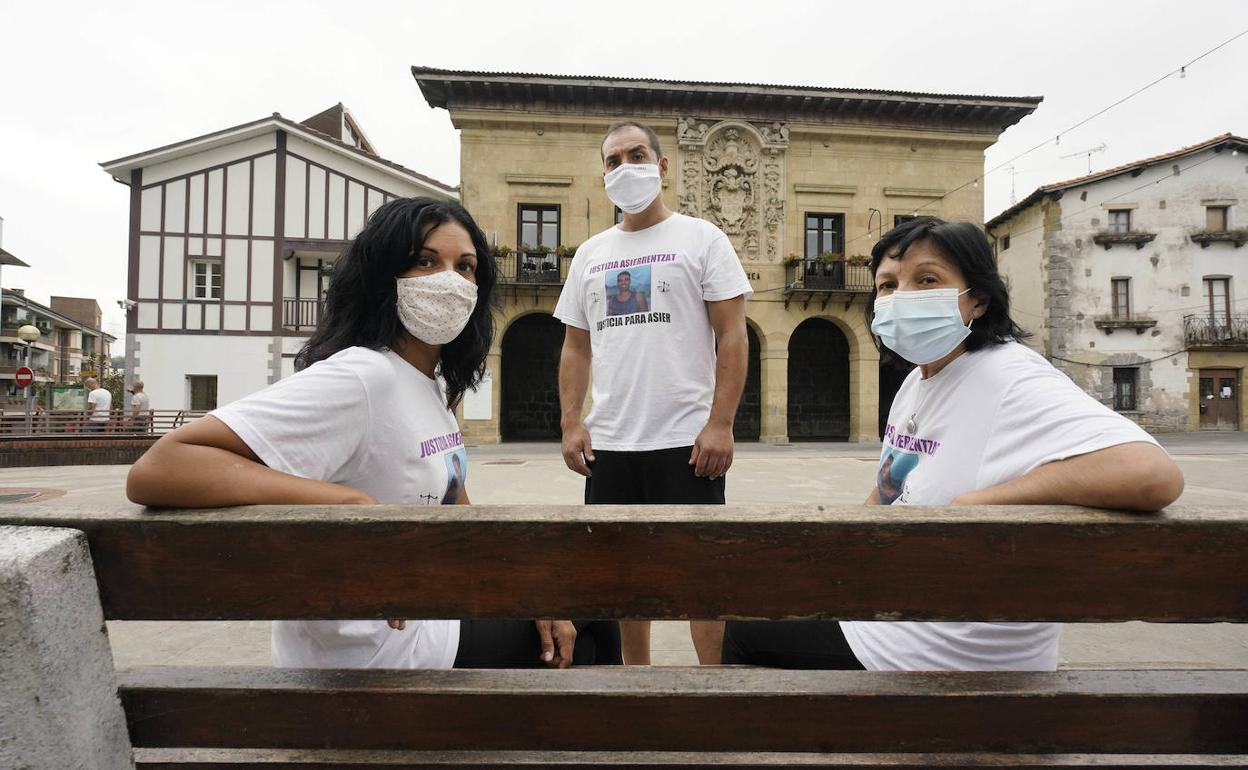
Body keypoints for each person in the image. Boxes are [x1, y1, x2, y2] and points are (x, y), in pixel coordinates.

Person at [128, 197, 620, 670]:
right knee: (592, 626)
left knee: (577, 610)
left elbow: (455, 509)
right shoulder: (363, 376)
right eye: (425, 262)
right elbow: (161, 467)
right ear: (382, 277)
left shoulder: (430, 384)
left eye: (465, 267)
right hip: (372, 649)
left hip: (421, 620)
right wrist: (349, 505)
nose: (449, 281)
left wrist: (524, 591)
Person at [722, 216, 1184, 671]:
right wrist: (832, 557)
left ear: (977, 300)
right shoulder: (918, 381)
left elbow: (1152, 474)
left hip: (946, 647)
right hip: (901, 611)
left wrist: (976, 504)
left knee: (721, 615)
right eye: (887, 285)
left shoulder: (1010, 375)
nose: (902, 297)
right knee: (741, 582)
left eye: (927, 280)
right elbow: (886, 493)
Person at [556, 120, 752, 665]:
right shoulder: (591, 254)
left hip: (685, 443)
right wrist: (573, 421)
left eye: (635, 154)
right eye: (612, 160)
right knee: (623, 579)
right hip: (612, 443)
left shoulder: (702, 238)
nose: (624, 167)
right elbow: (576, 346)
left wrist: (721, 423)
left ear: (662, 166)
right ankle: (634, 682)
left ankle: (711, 689)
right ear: (603, 174)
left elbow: (732, 334)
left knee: (700, 578)